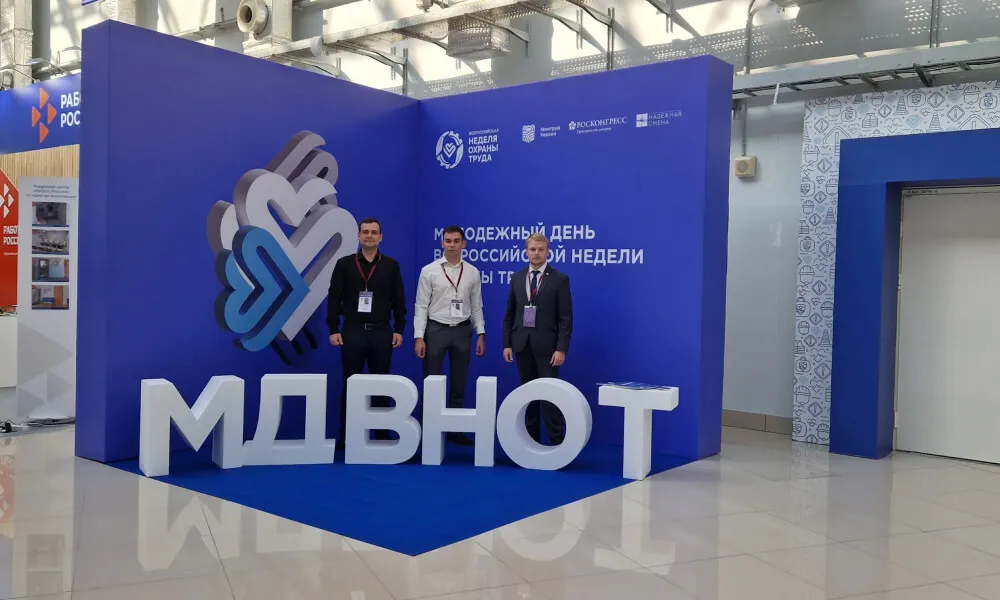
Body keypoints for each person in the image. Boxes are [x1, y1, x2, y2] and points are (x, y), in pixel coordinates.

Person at [327, 217, 407, 448]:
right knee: (351, 384)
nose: (369, 236)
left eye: (374, 232)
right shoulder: (344, 264)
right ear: (359, 236)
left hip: (381, 331)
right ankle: (347, 435)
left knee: (381, 384)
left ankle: (381, 434)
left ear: (380, 237)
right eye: (365, 232)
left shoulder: (391, 265)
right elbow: (334, 298)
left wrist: (399, 329)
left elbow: (399, 300)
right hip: (352, 331)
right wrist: (333, 328)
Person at [414, 226, 486, 445]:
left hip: (463, 331)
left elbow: (477, 305)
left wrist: (481, 332)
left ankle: (455, 430)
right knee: (432, 382)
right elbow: (421, 305)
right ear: (442, 243)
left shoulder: (472, 272)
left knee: (459, 382)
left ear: (464, 244)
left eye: (456, 241)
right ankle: (429, 430)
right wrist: (419, 336)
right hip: (435, 330)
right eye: (448, 241)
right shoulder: (429, 271)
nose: (452, 245)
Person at [502, 232, 573, 445]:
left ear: (548, 252)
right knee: (527, 396)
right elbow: (509, 314)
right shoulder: (517, 277)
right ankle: (530, 443)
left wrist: (561, 348)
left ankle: (557, 442)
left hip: (548, 348)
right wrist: (507, 344)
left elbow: (566, 318)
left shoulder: (559, 279)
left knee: (550, 397)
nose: (536, 253)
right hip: (522, 344)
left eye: (541, 249)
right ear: (526, 251)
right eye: (532, 249)